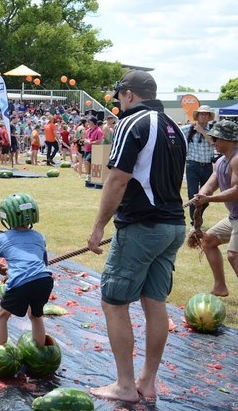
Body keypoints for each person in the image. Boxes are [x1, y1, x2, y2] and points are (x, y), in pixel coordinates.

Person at [87, 70, 187, 402]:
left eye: (119, 97)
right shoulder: (176, 128)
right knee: (155, 302)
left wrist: (99, 226)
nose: (118, 103)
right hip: (173, 225)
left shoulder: (133, 122)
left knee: (114, 302)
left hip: (142, 227)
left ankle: (125, 385)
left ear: (129, 95)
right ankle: (148, 381)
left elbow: (117, 180)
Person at [0, 194, 53, 347]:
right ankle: (40, 351)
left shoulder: (4, 238)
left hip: (22, 283)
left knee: (2, 316)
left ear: (7, 218)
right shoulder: (39, 237)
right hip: (45, 281)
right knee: (36, 316)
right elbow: (39, 264)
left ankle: (0, 352)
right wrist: (10, 272)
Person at [195, 120, 238, 297]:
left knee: (234, 255)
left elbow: (236, 191)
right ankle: (220, 287)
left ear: (228, 139)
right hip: (234, 217)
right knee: (208, 241)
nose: (212, 141)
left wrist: (209, 199)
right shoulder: (221, 161)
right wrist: (201, 196)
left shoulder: (237, 160)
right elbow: (210, 184)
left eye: (215, 138)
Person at [186, 105, 216, 227]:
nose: (203, 116)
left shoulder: (214, 129)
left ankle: (198, 216)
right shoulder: (188, 129)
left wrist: (202, 131)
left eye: (206, 114)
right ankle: (195, 223)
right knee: (193, 194)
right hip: (192, 165)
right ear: (197, 116)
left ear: (209, 117)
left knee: (206, 196)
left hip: (207, 166)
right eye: (201, 114)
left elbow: (213, 143)